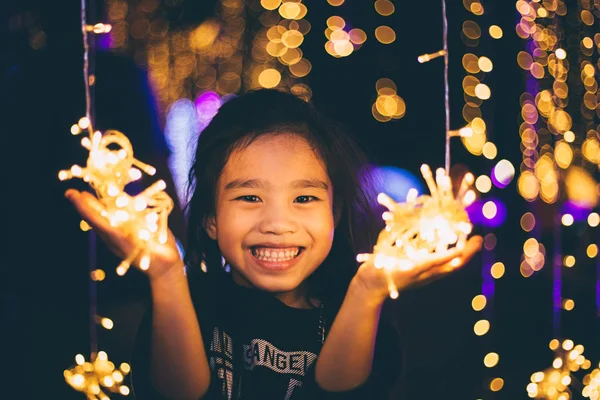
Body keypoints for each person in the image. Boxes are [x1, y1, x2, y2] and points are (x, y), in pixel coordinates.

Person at [65, 89, 482, 399]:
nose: (278, 224)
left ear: (334, 215)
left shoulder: (356, 311)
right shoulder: (187, 305)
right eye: (249, 198)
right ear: (210, 219)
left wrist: (367, 291)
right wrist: (166, 275)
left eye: (304, 199)